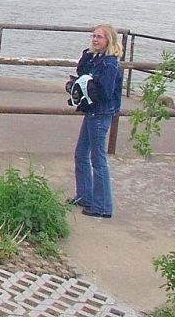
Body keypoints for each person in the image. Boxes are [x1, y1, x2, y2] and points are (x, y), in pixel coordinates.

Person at [68, 24, 123, 219]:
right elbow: (82, 70)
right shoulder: (97, 59)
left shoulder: (109, 64)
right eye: (93, 36)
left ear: (109, 40)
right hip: (92, 112)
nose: (95, 40)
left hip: (100, 114)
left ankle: (103, 206)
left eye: (99, 37)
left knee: (98, 159)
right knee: (81, 154)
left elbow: (105, 92)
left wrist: (88, 87)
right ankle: (85, 196)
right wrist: (88, 54)